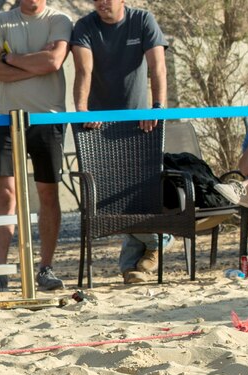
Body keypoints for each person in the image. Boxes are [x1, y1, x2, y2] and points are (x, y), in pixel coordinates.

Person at [71, 0, 169, 284]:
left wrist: (158, 107)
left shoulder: (143, 20)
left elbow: (158, 66)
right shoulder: (85, 26)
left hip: (142, 123)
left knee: (139, 192)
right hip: (99, 127)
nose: (102, 2)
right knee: (109, 197)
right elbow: (83, 70)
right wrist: (82, 110)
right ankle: (158, 239)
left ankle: (132, 266)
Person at [0, 0, 72, 293]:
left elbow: (53, 62)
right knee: (6, 192)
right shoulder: (0, 20)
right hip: (8, 120)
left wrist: (8, 60)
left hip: (48, 119)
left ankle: (45, 267)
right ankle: (0, 272)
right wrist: (34, 65)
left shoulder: (59, 20)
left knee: (48, 192)